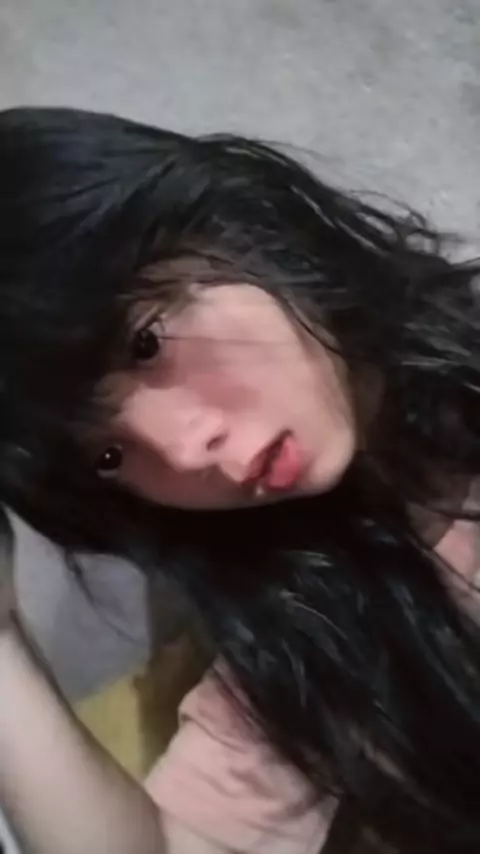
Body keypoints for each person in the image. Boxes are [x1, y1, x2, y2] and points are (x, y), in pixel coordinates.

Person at [0, 107, 480, 854]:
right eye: (108, 457)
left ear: (231, 228)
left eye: (146, 344)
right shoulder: (310, 628)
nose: (186, 451)